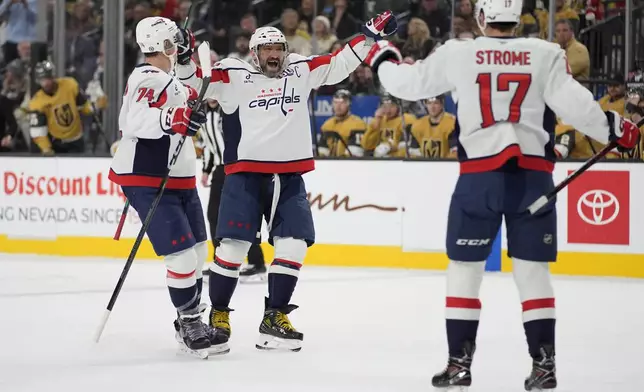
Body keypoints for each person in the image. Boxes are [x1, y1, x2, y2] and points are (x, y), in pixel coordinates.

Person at [362, 0, 640, 389]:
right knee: (532, 273)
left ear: (480, 18)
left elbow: (405, 84)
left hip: (479, 179)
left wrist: (383, 55)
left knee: (463, 269)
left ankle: (459, 364)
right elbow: (576, 106)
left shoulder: (459, 52)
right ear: (519, 17)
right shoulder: (543, 53)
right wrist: (614, 126)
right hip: (532, 179)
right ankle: (544, 367)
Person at [175, 11, 398, 352]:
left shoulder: (301, 70)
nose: (274, 54)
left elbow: (338, 64)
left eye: (279, 47)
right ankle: (219, 314)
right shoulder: (234, 74)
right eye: (267, 49)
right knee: (232, 249)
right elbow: (193, 81)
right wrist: (181, 57)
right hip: (245, 176)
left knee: (293, 246)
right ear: (255, 53)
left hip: (289, 176)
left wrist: (367, 37)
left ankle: (274, 317)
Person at [108, 16, 227, 359]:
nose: (178, 47)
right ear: (161, 46)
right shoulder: (147, 76)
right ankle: (190, 321)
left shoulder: (170, 78)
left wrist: (191, 95)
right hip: (146, 175)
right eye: (174, 43)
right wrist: (172, 118)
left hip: (180, 175)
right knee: (182, 255)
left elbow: (188, 101)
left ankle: (189, 320)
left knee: (200, 252)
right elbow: (133, 120)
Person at [198, 98, 267, 282]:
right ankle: (220, 261)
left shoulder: (230, 108)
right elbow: (207, 145)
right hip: (220, 170)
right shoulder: (202, 112)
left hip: (238, 167)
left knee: (242, 215)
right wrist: (206, 170)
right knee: (213, 215)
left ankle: (257, 262)